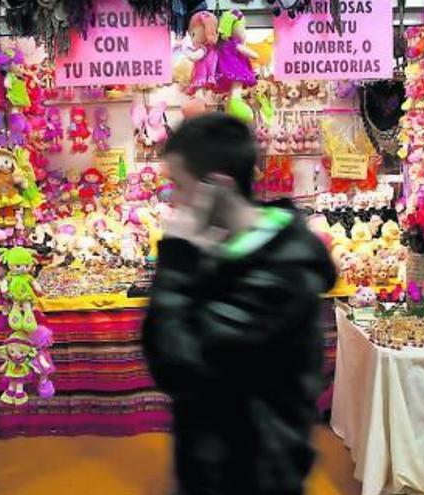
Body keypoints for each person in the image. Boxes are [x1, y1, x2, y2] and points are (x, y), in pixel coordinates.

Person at [142, 113, 337, 495]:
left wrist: (177, 261)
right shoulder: (226, 246)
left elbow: (176, 362)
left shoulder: (279, 275)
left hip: (252, 471)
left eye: (177, 186)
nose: (172, 200)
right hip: (217, 461)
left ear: (216, 187)